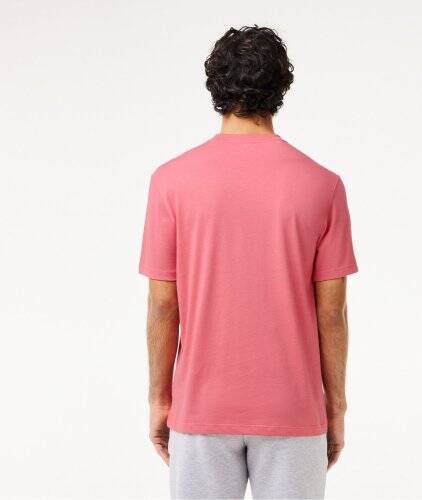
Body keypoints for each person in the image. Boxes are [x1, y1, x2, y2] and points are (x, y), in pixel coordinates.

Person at [139, 25, 358, 500]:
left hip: (201, 407)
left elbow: (162, 305)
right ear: (281, 87)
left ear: (214, 86)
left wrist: (160, 398)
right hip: (293, 410)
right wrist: (336, 406)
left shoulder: (170, 181)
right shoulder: (322, 185)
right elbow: (332, 312)